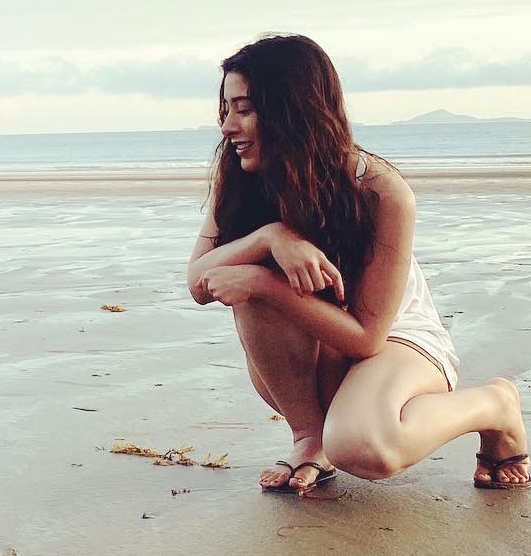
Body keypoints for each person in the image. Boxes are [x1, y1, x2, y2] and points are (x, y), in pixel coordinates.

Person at [186, 33, 527, 492]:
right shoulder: (239, 178)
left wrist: (263, 283)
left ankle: (495, 404)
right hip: (308, 356)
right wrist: (270, 238)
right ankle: (309, 440)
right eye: (225, 110)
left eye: (244, 110)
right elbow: (200, 282)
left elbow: (368, 337)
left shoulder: (382, 191)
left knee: (364, 447)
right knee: (247, 280)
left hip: (397, 340)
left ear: (294, 111)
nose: (227, 127)